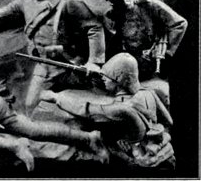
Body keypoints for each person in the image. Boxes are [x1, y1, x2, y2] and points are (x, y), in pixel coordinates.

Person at [40, 53, 175, 168]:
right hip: (148, 146)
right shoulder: (149, 93)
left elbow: (85, 109)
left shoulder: (122, 108)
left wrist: (55, 97)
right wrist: (162, 139)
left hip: (137, 158)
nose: (103, 79)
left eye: (106, 77)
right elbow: (169, 121)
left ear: (120, 79)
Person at [98, 0, 187, 99]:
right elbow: (111, 42)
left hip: (153, 62)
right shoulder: (110, 15)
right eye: (117, 1)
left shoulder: (149, 5)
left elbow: (179, 24)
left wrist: (167, 51)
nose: (125, 3)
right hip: (130, 64)